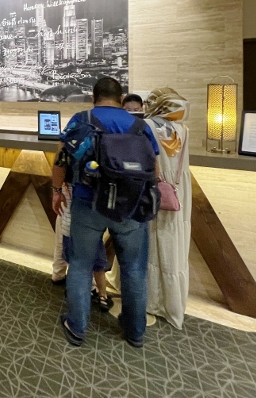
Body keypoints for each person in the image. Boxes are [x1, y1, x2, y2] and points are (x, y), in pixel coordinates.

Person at [51, 77, 159, 348]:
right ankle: (135, 331)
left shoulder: (82, 119)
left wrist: (56, 190)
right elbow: (153, 168)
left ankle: (77, 327)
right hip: (130, 207)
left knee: (81, 265)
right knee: (134, 269)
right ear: (121, 100)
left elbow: (61, 159)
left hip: (88, 202)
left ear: (93, 97)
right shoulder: (139, 125)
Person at [143, 88, 192, 329]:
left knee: (154, 243)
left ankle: (153, 300)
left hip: (155, 189)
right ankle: (173, 302)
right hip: (178, 191)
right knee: (174, 245)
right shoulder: (183, 130)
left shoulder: (147, 127)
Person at [51, 187, 114, 312]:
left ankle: (69, 286)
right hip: (90, 224)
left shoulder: (68, 182)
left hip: (68, 223)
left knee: (73, 259)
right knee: (96, 262)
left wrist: (57, 191)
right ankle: (102, 295)